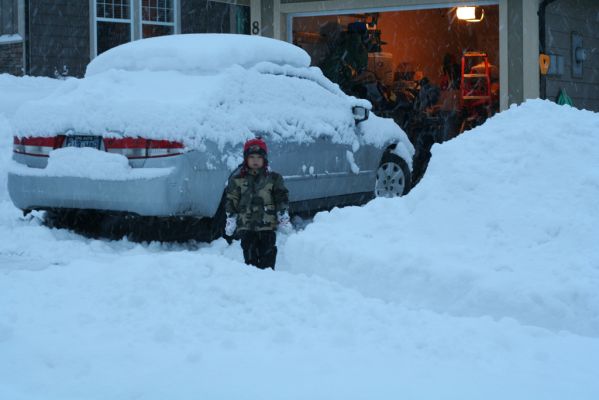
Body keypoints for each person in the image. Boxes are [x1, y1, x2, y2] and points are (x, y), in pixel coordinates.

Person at [224, 138, 291, 270]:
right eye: (252, 157)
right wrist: (231, 217)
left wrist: (282, 214)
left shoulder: (273, 178)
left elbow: (281, 197)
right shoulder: (237, 179)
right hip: (246, 228)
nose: (255, 160)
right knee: (250, 262)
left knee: (268, 259)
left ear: (264, 159)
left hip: (267, 227)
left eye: (259, 157)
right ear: (246, 159)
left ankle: (268, 283)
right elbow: (232, 199)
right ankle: (252, 284)